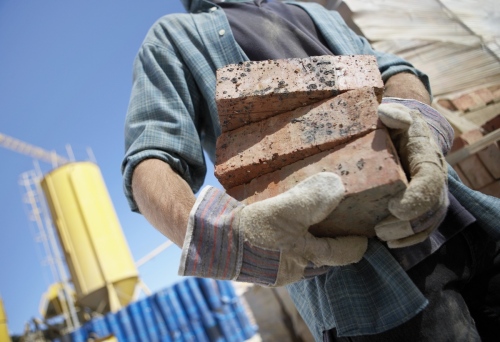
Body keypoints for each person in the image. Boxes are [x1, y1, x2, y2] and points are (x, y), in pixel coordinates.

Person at [122, 0, 500, 341]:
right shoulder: (174, 36)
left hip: (460, 219)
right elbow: (151, 158)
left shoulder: (315, 12)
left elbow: (396, 71)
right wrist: (230, 238)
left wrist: (419, 122)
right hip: (369, 288)